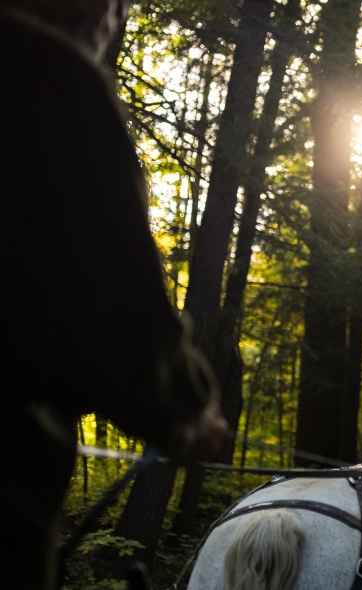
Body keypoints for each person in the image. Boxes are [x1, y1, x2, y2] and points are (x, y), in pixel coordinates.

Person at [0, 0, 229, 587]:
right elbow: (118, 304)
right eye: (115, 4)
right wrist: (188, 411)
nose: (114, 18)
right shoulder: (45, 70)